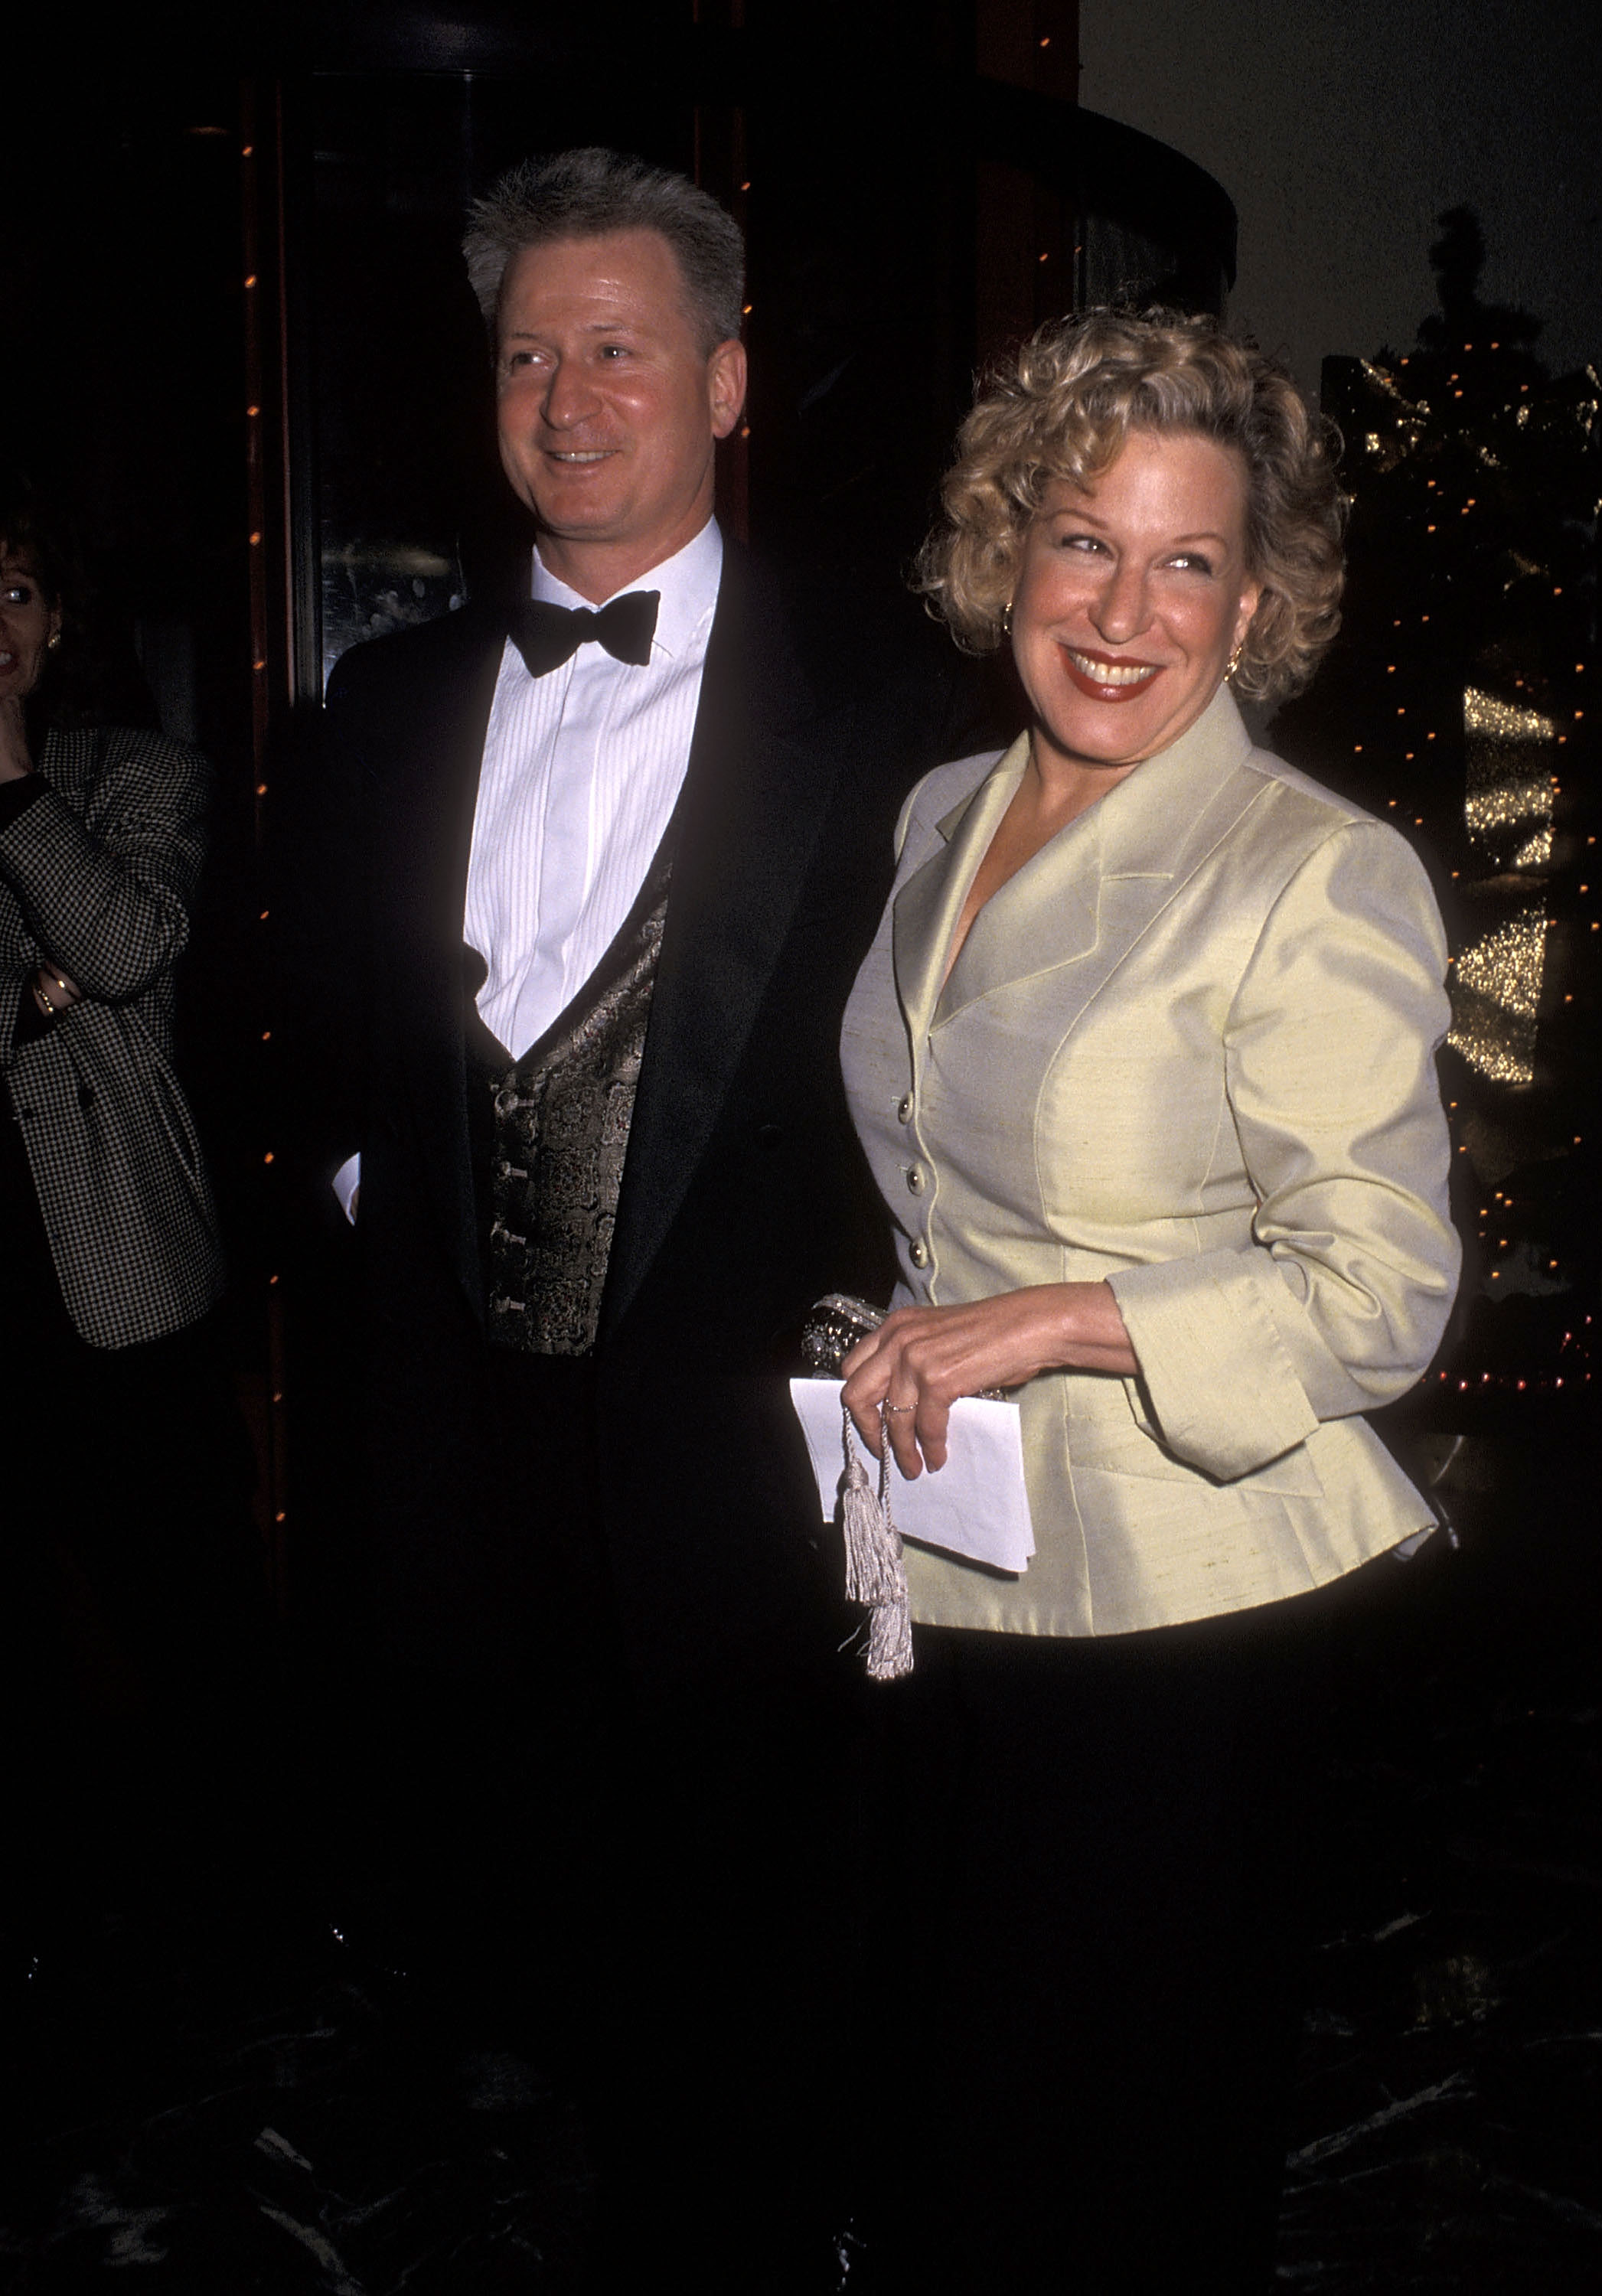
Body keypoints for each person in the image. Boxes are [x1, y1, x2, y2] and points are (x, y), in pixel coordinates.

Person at [297, 148, 994, 2288]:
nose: (568, 395)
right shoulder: (393, 699)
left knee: (762, 2005)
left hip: (747, 1486)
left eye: (618, 347)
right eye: (528, 353)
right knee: (527, 1973)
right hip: (457, 1473)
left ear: (728, 380)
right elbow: (345, 1043)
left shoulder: (895, 707)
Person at [837, 310, 1461, 2291]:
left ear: (1256, 601)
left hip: (1189, 1611)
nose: (1125, 611)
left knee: (1123, 2147)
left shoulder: (1314, 874)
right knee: (948, 2108)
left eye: (1188, 560)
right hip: (949, 1565)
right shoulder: (940, 814)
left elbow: (1379, 1294)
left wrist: (1042, 1319)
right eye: (1084, 541)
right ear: (1003, 549)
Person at [0, 492, 251, 1912]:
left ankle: (231, 1919)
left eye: (20, 594)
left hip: (119, 1267)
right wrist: (43, 995)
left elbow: (122, 938)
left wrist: (9, 776)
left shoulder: (131, 774)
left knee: (192, 1619)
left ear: (62, 619)